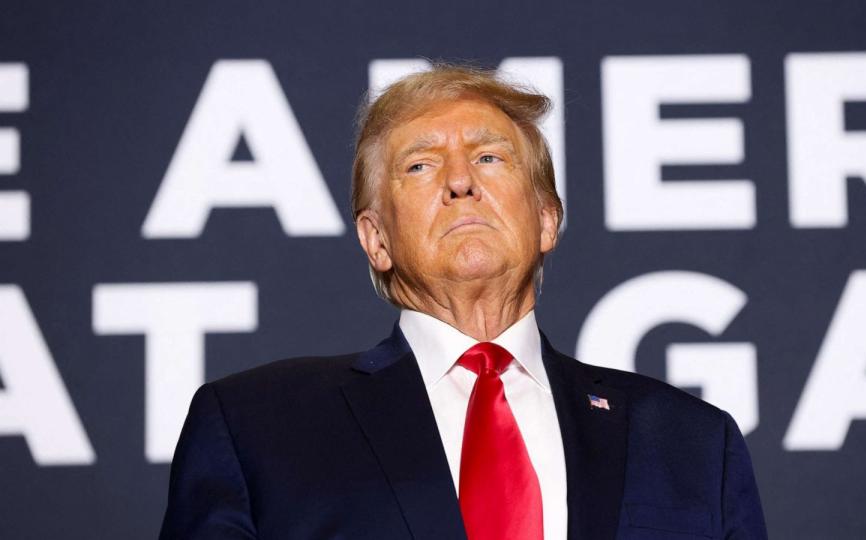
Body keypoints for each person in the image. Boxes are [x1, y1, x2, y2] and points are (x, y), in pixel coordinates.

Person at [159, 64, 767, 540]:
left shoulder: (688, 442)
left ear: (547, 220)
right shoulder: (257, 427)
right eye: (420, 165)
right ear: (376, 240)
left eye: (488, 157)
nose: (460, 181)